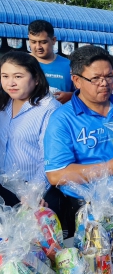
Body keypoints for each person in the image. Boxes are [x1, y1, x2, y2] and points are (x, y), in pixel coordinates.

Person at [44, 45, 113, 237]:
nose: (104, 83)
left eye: (109, 76)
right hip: (87, 209)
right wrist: (109, 168)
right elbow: (56, 175)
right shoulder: (62, 119)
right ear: (76, 80)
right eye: (96, 78)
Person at [0, 51, 62, 209]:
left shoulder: (49, 109)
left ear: (36, 79)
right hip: (4, 187)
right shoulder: (3, 104)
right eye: (5, 76)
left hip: (35, 192)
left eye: (18, 76)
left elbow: (48, 158)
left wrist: (34, 192)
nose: (10, 83)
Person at [28, 20, 74, 104]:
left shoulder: (69, 65)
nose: (38, 47)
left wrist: (71, 96)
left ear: (53, 40)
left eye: (43, 42)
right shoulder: (20, 63)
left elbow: (85, 93)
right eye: (33, 42)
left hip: (60, 115)